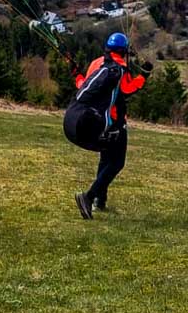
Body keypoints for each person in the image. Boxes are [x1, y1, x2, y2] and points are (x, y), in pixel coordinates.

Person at [63, 32, 149, 218]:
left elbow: (85, 86)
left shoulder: (97, 63)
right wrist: (144, 76)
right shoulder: (119, 69)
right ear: (123, 51)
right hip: (114, 121)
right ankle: (89, 197)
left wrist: (76, 74)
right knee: (117, 162)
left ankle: (99, 201)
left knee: (106, 159)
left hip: (95, 120)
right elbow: (127, 90)